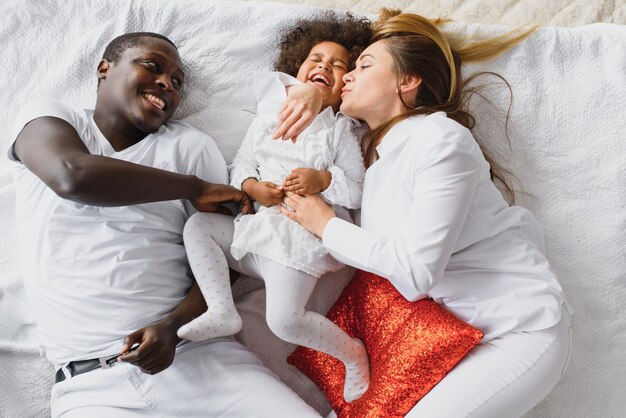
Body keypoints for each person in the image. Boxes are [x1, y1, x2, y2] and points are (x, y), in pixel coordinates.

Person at [8, 32, 322, 417]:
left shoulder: (190, 147)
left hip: (201, 359)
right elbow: (72, 176)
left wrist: (173, 327)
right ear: (104, 69)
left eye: (177, 83)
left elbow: (226, 259)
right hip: (90, 387)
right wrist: (194, 188)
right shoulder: (52, 118)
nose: (166, 84)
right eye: (153, 66)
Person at [279, 9, 572, 418]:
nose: (347, 75)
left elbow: (417, 273)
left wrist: (325, 224)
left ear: (407, 80)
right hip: (443, 337)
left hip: (515, 331)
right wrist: (313, 90)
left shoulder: (441, 138)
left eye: (364, 65)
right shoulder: (374, 165)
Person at [177, 13, 373, 402]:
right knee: (198, 227)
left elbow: (357, 189)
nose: (324, 67)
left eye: (338, 66)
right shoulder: (267, 118)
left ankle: (352, 354)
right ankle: (221, 309)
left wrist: (323, 180)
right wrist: (251, 187)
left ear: (344, 89)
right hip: (256, 236)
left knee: (284, 321)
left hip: (298, 243)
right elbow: (242, 165)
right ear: (296, 71)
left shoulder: (339, 130)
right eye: (316, 59)